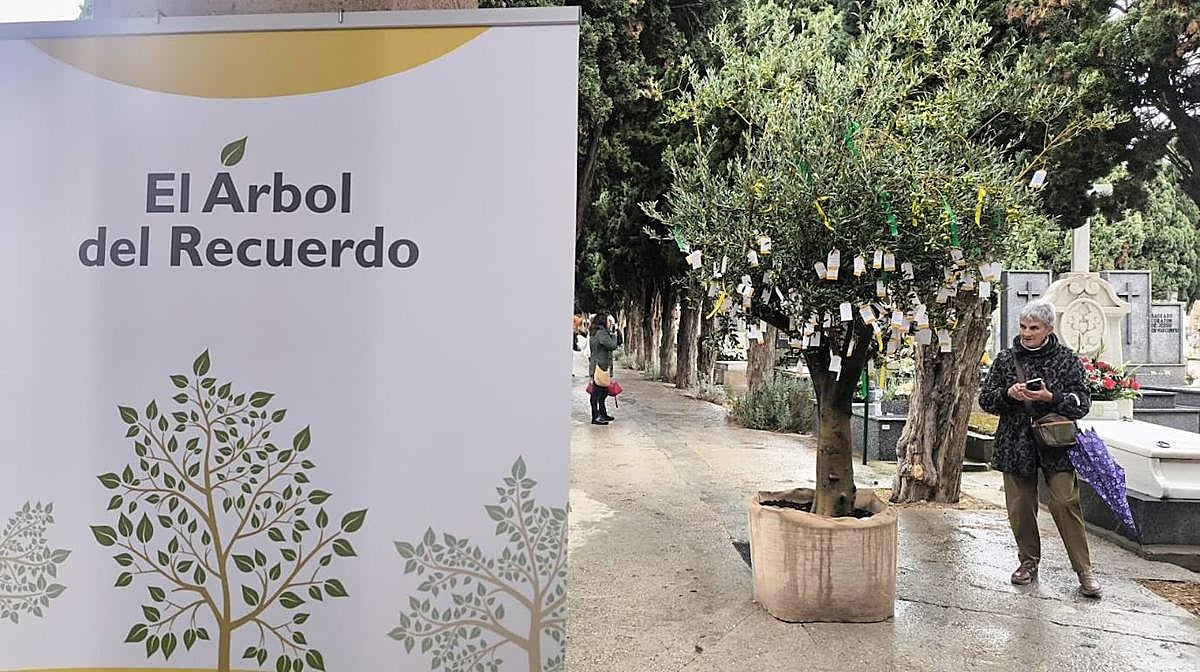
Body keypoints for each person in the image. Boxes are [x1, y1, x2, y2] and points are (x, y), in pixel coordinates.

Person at [978, 299, 1101, 598]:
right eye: (1023, 327)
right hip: (1015, 442)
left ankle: (1084, 570)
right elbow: (986, 400)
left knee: (1064, 502)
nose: (1027, 333)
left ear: (1048, 328)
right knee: (1020, 508)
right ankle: (1028, 562)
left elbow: (1082, 403)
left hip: (1055, 443)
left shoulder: (1066, 359)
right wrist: (1008, 394)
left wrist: (1051, 397)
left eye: (1034, 328)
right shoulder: (1006, 359)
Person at [588, 312, 620, 425]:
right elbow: (612, 345)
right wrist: (614, 333)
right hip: (600, 367)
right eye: (607, 320)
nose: (609, 322)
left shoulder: (596, 332)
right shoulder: (601, 333)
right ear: (603, 321)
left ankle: (602, 413)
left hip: (598, 366)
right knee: (597, 393)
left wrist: (612, 330)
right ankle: (595, 417)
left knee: (603, 393)